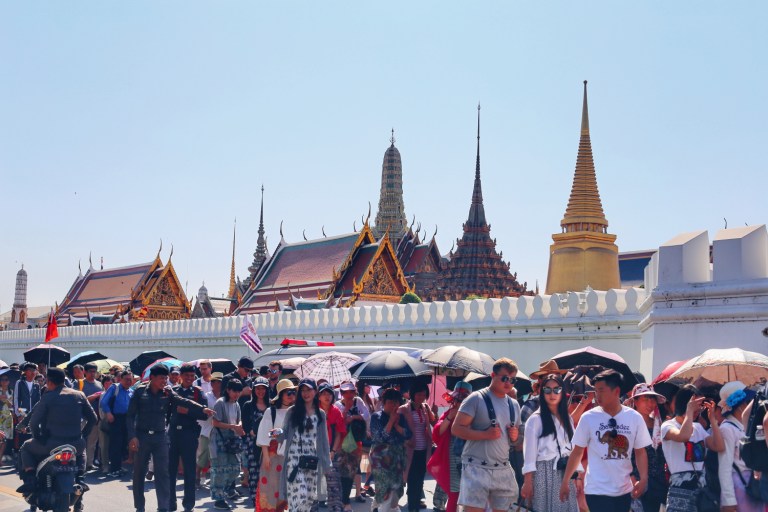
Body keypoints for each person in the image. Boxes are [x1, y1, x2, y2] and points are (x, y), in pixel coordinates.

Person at [558, 369, 651, 512]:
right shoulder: (588, 418)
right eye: (595, 391)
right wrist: (566, 481)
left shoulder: (634, 417)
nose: (597, 395)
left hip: (624, 490)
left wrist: (643, 478)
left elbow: (640, 451)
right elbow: (577, 452)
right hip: (596, 491)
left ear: (616, 391)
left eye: (601, 390)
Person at [127, 363, 214, 512]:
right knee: (139, 473)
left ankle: (164, 507)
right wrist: (132, 437)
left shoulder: (168, 392)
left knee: (163, 474)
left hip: (161, 437)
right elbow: (130, 416)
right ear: (152, 377)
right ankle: (140, 506)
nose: (164, 381)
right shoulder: (140, 392)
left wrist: (202, 408)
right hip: (143, 437)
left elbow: (182, 401)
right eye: (161, 378)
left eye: (165, 378)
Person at [17, 367, 97, 510]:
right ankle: (80, 478)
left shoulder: (48, 396)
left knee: (25, 447)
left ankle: (30, 480)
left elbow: (34, 423)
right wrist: (82, 435)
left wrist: (39, 438)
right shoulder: (79, 395)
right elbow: (93, 419)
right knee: (82, 451)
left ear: (49, 381)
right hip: (75, 444)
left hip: (51, 445)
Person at [452, 357, 521, 512]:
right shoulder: (475, 398)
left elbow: (518, 442)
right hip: (476, 466)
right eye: (505, 378)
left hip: (503, 467)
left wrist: (515, 437)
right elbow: (456, 429)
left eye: (512, 380)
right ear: (493, 375)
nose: (508, 383)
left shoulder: (514, 404)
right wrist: (485, 434)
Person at [521, 374, 582, 512]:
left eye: (557, 389)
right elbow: (529, 454)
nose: (552, 394)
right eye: (547, 390)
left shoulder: (567, 419)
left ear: (562, 392)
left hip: (565, 471)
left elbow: (574, 449)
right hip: (543, 472)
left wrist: (577, 476)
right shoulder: (535, 419)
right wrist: (527, 482)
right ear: (542, 392)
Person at [660, 384, 724, 512]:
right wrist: (689, 411)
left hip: (701, 490)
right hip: (680, 489)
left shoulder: (698, 427)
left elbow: (719, 446)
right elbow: (683, 436)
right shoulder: (668, 426)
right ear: (685, 403)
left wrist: (713, 421)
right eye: (695, 405)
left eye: (700, 407)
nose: (698, 410)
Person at [280, 378, 332, 512]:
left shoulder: (320, 414)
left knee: (308, 499)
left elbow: (324, 441)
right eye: (302, 390)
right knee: (300, 495)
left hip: (311, 460)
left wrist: (327, 464)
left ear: (315, 391)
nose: (305, 393)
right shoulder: (292, 411)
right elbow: (284, 433)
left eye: (309, 390)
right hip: (294, 459)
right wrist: (276, 433)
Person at [717, 381, 762, 512]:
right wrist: (729, 500)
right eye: (749, 402)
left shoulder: (746, 426)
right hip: (740, 484)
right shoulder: (727, 429)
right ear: (741, 405)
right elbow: (725, 465)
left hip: (754, 484)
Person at [169, 364, 208, 512]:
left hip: (189, 434)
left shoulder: (198, 392)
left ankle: (188, 504)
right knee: (171, 471)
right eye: (187, 375)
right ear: (181, 376)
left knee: (190, 471)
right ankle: (171, 503)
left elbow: (204, 414)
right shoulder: (173, 391)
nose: (189, 378)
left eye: (192, 376)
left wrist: (188, 412)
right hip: (173, 434)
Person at [427, 381, 472, 512]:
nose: (458, 403)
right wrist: (449, 418)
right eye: (456, 400)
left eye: (462, 400)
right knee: (455, 493)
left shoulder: (474, 414)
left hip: (471, 458)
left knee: (471, 494)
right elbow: (437, 433)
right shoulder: (449, 413)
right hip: (452, 458)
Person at [627, 383, 669, 512]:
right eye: (645, 399)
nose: (650, 403)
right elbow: (624, 453)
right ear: (635, 401)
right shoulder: (627, 425)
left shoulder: (659, 424)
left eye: (653, 399)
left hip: (657, 482)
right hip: (635, 480)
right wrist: (631, 477)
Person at [257, 378, 297, 512]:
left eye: (293, 392)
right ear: (280, 395)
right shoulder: (271, 411)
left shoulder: (297, 411)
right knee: (271, 487)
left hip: (291, 455)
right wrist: (266, 456)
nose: (291, 395)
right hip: (273, 455)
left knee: (286, 487)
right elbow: (265, 433)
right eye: (288, 392)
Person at [210, 378, 246, 510]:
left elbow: (239, 420)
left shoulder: (236, 404)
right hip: (219, 440)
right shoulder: (220, 403)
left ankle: (226, 490)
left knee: (235, 468)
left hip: (233, 439)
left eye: (239, 391)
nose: (237, 394)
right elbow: (215, 422)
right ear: (228, 390)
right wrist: (233, 426)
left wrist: (239, 426)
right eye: (234, 391)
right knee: (220, 469)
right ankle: (218, 498)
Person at [400, 380, 435, 512]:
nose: (421, 397)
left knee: (420, 479)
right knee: (412, 479)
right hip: (410, 450)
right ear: (413, 394)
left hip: (423, 450)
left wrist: (434, 413)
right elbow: (398, 428)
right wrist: (405, 441)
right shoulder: (404, 409)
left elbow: (435, 423)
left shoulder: (425, 408)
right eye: (419, 394)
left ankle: (415, 505)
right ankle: (412, 506)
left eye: (424, 394)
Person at [336, 380, 371, 505]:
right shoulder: (338, 404)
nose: (349, 394)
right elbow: (340, 421)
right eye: (346, 392)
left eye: (351, 391)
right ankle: (343, 496)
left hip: (356, 439)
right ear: (342, 393)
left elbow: (367, 415)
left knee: (355, 467)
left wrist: (354, 417)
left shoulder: (358, 401)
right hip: (343, 440)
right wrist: (346, 409)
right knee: (343, 468)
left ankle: (355, 494)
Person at [241, 376, 270, 507]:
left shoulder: (271, 405)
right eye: (258, 388)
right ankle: (255, 502)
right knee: (254, 473)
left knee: (268, 473)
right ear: (254, 390)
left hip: (269, 444)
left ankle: (267, 502)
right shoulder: (248, 405)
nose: (260, 391)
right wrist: (256, 434)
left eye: (263, 388)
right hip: (252, 443)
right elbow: (246, 425)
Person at [318, 382, 346, 512]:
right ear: (318, 396)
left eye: (329, 393)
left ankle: (335, 507)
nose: (326, 396)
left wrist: (333, 450)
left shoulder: (336, 411)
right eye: (323, 393)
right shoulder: (313, 410)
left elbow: (339, 433)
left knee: (333, 483)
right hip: (315, 451)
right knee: (314, 481)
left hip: (332, 450)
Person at [102, 370, 134, 478]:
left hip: (127, 420)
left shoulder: (131, 391)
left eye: (130, 380)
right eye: (126, 379)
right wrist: (108, 413)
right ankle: (114, 469)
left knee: (123, 444)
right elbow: (104, 402)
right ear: (121, 379)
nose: (128, 382)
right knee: (115, 444)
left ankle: (118, 467)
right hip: (116, 419)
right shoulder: (114, 388)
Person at [197, 371, 223, 489]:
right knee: (203, 456)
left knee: (216, 457)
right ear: (212, 383)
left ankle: (212, 479)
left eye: (220, 382)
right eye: (217, 382)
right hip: (207, 430)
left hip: (220, 431)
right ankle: (198, 477)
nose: (219, 384)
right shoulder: (206, 396)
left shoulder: (224, 397)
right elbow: (201, 413)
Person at [80, 362, 104, 470]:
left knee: (92, 443)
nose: (93, 374)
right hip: (82, 417)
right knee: (81, 441)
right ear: (85, 372)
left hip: (96, 417)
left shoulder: (99, 384)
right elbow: (78, 399)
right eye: (91, 371)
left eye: (95, 371)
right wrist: (93, 397)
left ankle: (89, 463)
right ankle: (79, 463)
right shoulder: (80, 384)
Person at [98, 374, 114, 474]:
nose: (108, 385)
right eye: (106, 383)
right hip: (104, 422)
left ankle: (114, 465)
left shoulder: (116, 394)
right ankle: (105, 465)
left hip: (115, 423)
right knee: (104, 445)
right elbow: (101, 410)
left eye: (110, 383)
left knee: (114, 445)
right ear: (103, 384)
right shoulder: (103, 394)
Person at [0, 371, 14, 463]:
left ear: (9, 381)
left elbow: (12, 406)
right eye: (2, 379)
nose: (4, 381)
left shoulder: (11, 391)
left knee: (4, 439)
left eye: (6, 379)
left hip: (7, 417)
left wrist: (6, 400)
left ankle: (0, 458)